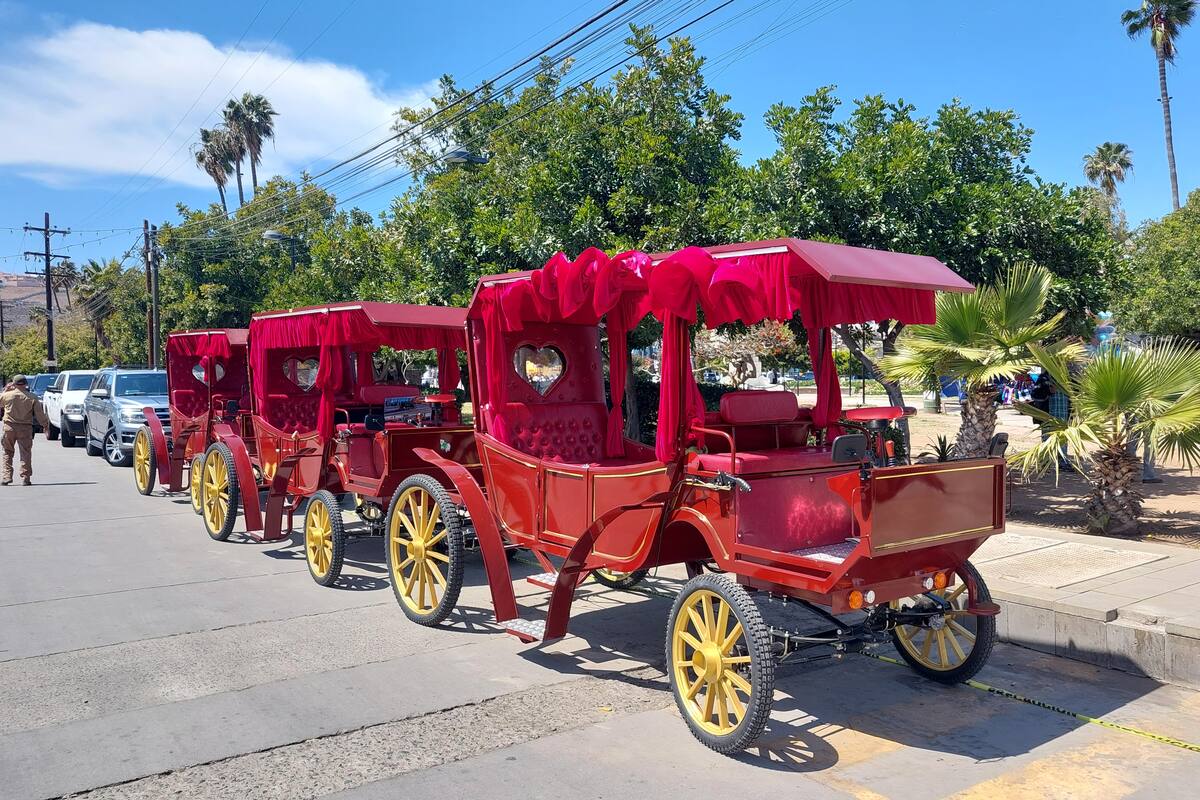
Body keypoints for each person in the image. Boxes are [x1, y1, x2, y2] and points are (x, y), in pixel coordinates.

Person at [1, 374, 50, 486]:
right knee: (25, 453)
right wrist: (45, 425)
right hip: (25, 428)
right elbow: (39, 414)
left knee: (7, 452)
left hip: (9, 427)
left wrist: (6, 390)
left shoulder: (7, 396)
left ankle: (6, 476)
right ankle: (25, 477)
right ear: (26, 384)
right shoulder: (32, 397)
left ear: (14, 384)